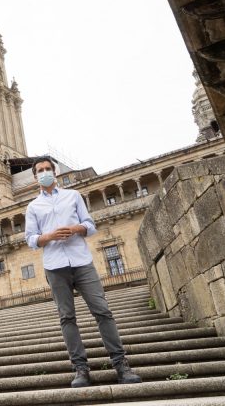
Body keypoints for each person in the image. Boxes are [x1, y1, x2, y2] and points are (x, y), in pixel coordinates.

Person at [25, 156, 141, 388]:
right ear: (35, 176)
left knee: (103, 311)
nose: (45, 172)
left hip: (81, 261)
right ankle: (80, 369)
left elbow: (89, 225)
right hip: (55, 266)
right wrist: (48, 236)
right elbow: (30, 239)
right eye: (40, 170)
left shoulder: (73, 196)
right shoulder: (33, 207)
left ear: (55, 172)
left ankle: (121, 365)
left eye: (48, 168)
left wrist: (77, 228)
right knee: (67, 318)